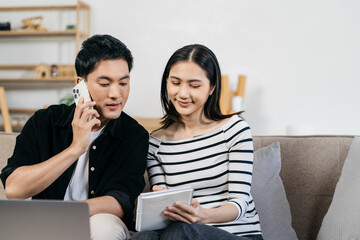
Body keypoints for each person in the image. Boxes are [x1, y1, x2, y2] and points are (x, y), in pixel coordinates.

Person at [0, 34, 149, 240]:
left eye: (123, 83)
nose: (116, 93)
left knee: (106, 227)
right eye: (105, 84)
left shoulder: (134, 135)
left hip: (96, 222)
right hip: (42, 224)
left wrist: (66, 213)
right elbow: (14, 189)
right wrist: (76, 148)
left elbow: (121, 201)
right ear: (81, 85)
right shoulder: (45, 122)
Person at [131, 44, 263, 240]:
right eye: (175, 83)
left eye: (194, 86)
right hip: (180, 232)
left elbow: (240, 202)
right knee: (144, 237)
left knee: (179, 231)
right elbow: (164, 210)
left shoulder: (235, 130)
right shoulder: (156, 143)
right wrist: (159, 203)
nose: (183, 94)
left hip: (237, 234)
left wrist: (204, 215)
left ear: (212, 87)